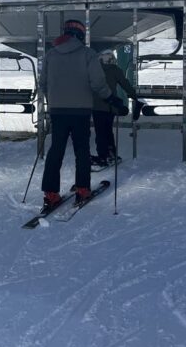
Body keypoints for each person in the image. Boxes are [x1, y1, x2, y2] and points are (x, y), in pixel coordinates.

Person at [40, 20, 124, 207]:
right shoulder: (88, 54)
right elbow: (97, 83)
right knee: (82, 150)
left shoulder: (51, 55)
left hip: (57, 111)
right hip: (81, 111)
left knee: (56, 150)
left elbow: (43, 83)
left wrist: (53, 100)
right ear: (80, 34)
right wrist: (112, 99)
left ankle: (51, 193)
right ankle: (82, 190)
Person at [91, 49, 142, 167]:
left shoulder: (95, 70)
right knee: (108, 130)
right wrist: (134, 96)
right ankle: (111, 153)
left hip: (97, 106)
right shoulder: (115, 70)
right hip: (111, 105)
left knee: (100, 132)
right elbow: (125, 84)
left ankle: (102, 156)